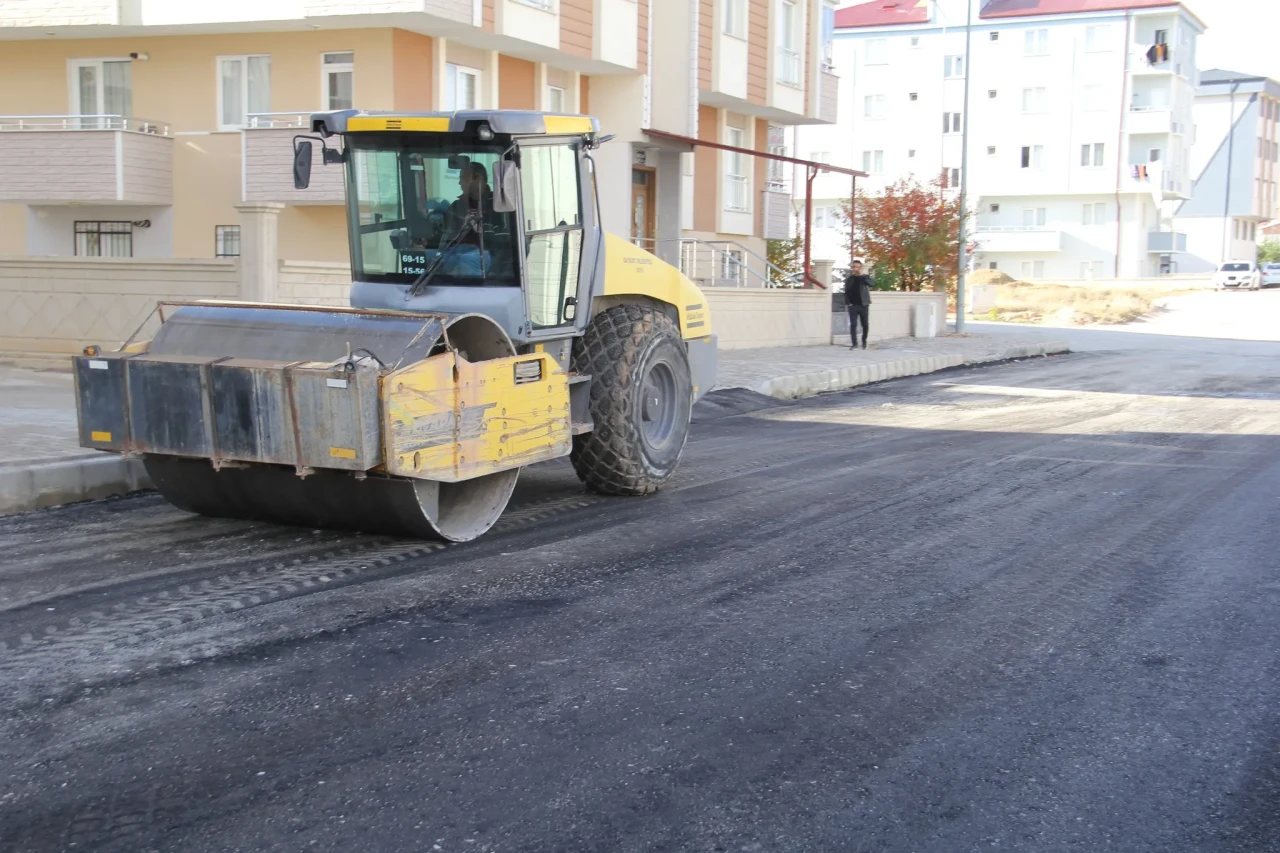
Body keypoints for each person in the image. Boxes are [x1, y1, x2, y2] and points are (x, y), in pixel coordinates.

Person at [844, 260, 873, 350]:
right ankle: (854, 344)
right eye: (853, 267)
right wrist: (849, 303)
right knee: (853, 324)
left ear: (860, 268)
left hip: (864, 305)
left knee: (865, 324)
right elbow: (846, 292)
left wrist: (862, 276)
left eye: (856, 267)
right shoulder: (849, 279)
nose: (854, 269)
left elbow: (871, 284)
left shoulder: (864, 277)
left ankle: (864, 341)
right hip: (853, 306)